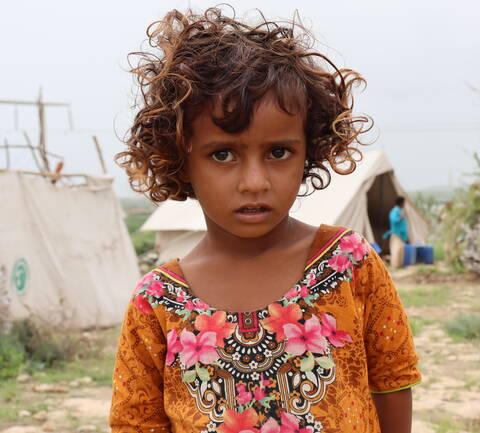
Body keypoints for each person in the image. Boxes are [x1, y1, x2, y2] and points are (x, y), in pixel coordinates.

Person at [110, 8, 420, 433]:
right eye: (223, 154)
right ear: (182, 160)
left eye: (278, 152)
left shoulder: (350, 264)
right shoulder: (157, 303)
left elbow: (392, 381)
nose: (254, 182)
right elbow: (136, 423)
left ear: (308, 153)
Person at [383, 197, 409, 268]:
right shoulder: (395, 211)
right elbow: (393, 219)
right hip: (396, 233)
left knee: (401, 249)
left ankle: (400, 264)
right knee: (396, 249)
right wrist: (400, 217)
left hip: (401, 234)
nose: (404, 204)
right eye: (404, 202)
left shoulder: (400, 211)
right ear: (401, 203)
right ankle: (395, 265)